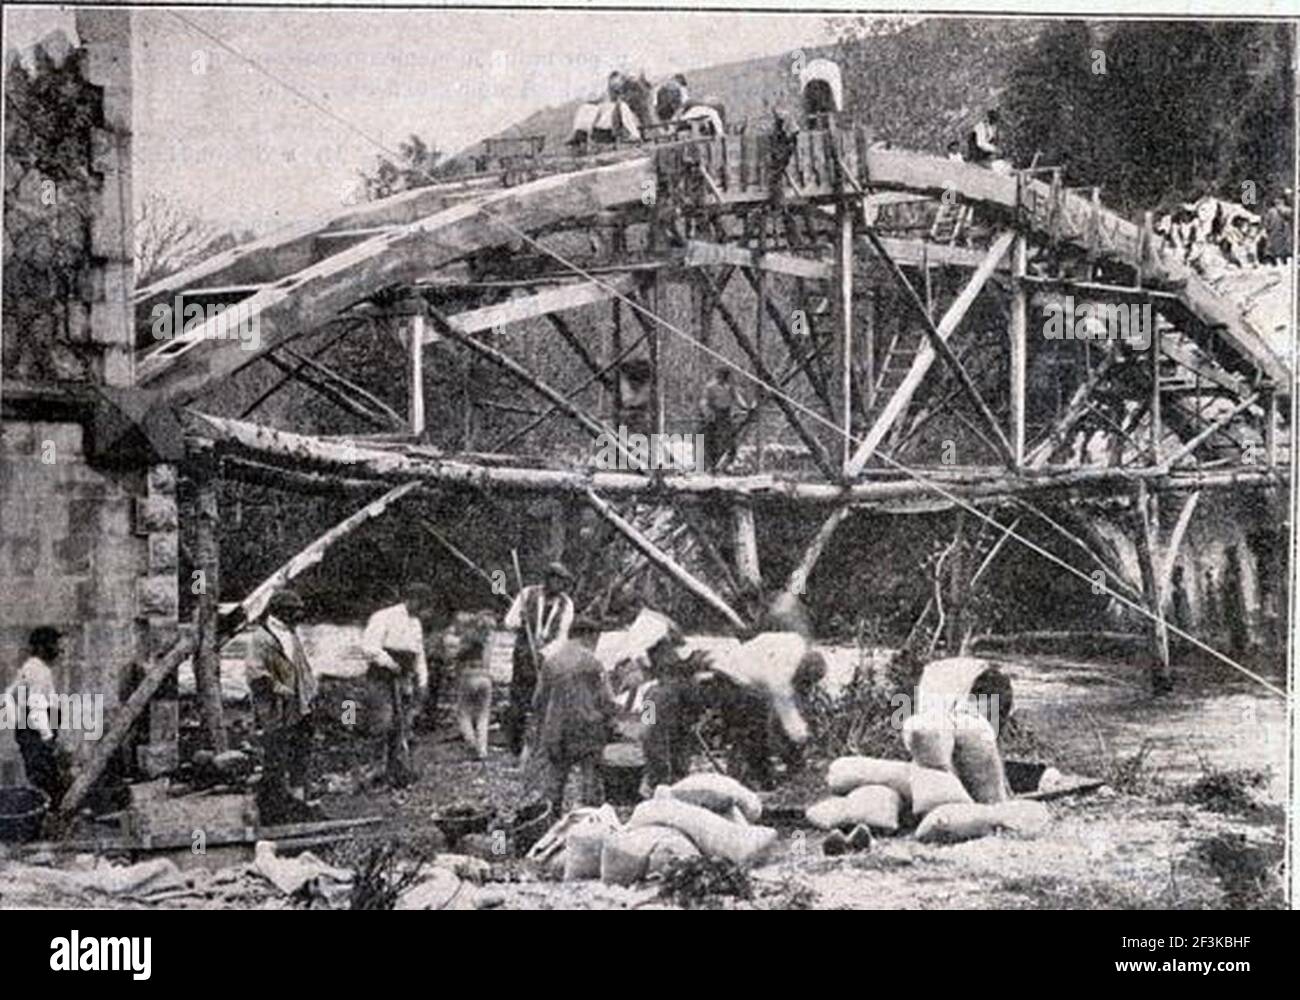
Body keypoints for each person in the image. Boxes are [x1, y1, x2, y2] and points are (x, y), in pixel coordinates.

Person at [245, 590, 320, 822]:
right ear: (279, 611)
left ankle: (298, 802)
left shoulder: (292, 634)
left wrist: (311, 692)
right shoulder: (261, 637)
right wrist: (277, 688)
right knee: (275, 756)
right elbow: (254, 672)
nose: (298, 616)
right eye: (293, 611)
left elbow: (301, 667)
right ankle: (274, 808)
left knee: (301, 752)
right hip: (276, 708)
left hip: (300, 705)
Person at [533, 631, 617, 815]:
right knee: (590, 780)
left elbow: (538, 700)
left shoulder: (550, 662)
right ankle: (588, 821)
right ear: (589, 637)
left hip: (558, 729)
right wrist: (611, 722)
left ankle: (549, 820)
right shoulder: (594, 663)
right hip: (589, 728)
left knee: (555, 779)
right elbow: (607, 699)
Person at [361, 582, 434, 787]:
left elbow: (419, 655)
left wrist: (423, 680)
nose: (422, 610)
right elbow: (369, 647)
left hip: (404, 678)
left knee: (401, 724)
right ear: (410, 600)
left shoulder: (416, 623)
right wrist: (390, 664)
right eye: (421, 604)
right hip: (381, 677)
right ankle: (376, 768)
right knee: (383, 722)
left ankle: (396, 768)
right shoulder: (383, 616)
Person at [503, 562, 575, 759]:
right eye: (556, 579)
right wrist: (520, 620)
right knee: (518, 698)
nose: (559, 585)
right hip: (523, 654)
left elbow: (562, 636)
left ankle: (538, 743)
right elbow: (508, 622)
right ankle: (514, 744)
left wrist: (545, 653)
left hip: (547, 658)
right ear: (548, 578)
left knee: (542, 698)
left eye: (563, 582)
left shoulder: (566, 604)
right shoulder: (528, 594)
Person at [2, 627, 70, 807]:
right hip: (36, 732)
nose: (58, 650)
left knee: (45, 775)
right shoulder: (37, 671)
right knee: (44, 777)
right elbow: (36, 706)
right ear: (41, 647)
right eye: (54, 645)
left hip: (32, 729)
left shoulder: (32, 668)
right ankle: (49, 817)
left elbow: (10, 692)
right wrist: (47, 736)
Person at [448, 629, 492, 760]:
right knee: (483, 715)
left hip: (468, 676)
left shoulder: (462, 652)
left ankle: (471, 742)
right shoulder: (485, 648)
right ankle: (483, 749)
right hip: (485, 677)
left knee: (464, 713)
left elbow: (455, 663)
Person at [698, 367, 750, 470]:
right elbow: (704, 401)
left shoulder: (730, 388)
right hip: (714, 414)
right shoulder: (711, 387)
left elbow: (738, 399)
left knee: (730, 440)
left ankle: (726, 463)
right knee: (712, 440)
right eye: (722, 376)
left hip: (726, 415)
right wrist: (708, 413)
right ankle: (710, 464)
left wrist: (746, 407)